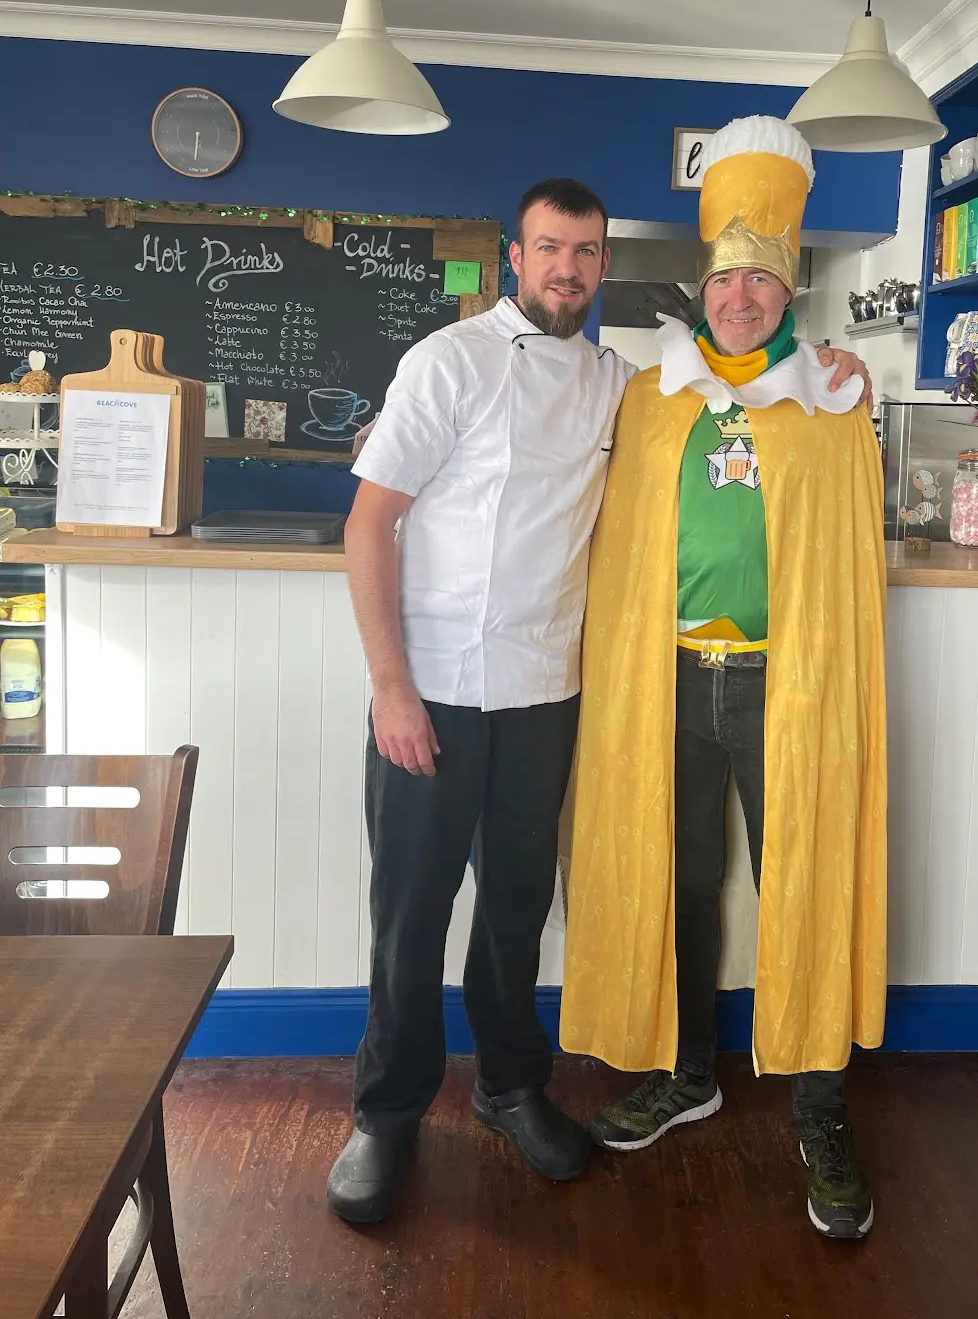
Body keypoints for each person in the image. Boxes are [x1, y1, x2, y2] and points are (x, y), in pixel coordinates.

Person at [328, 172, 873, 1226]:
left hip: (544, 693)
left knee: (516, 910)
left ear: (605, 265)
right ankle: (386, 1114)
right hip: (433, 691)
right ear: (515, 258)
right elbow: (368, 522)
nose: (567, 269)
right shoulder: (448, 362)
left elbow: (744, 387)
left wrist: (831, 363)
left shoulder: (621, 383)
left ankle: (508, 1087)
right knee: (410, 915)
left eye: (585, 252)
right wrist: (389, 686)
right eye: (549, 248)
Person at [559, 117, 888, 1242]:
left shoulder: (833, 402)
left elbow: (844, 559)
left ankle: (820, 1106)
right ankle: (687, 1070)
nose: (738, 297)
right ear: (699, 287)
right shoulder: (650, 397)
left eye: (759, 279)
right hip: (668, 678)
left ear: (788, 289)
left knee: (806, 875)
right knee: (681, 877)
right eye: (723, 278)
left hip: (786, 684)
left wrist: (851, 376)